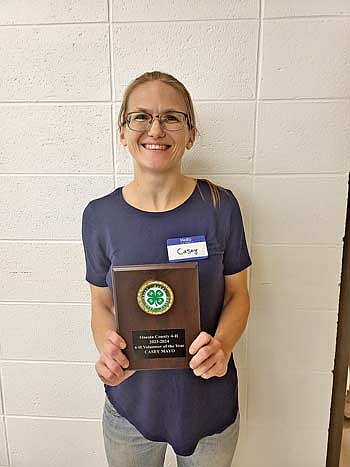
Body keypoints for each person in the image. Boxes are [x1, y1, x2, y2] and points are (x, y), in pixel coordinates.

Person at [82, 71, 252, 467]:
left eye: (172, 117)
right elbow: (101, 304)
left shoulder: (220, 206)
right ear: (122, 132)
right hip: (130, 409)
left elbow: (238, 295)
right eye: (140, 117)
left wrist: (222, 344)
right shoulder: (99, 216)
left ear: (190, 134)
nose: (155, 128)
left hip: (210, 407)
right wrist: (106, 349)